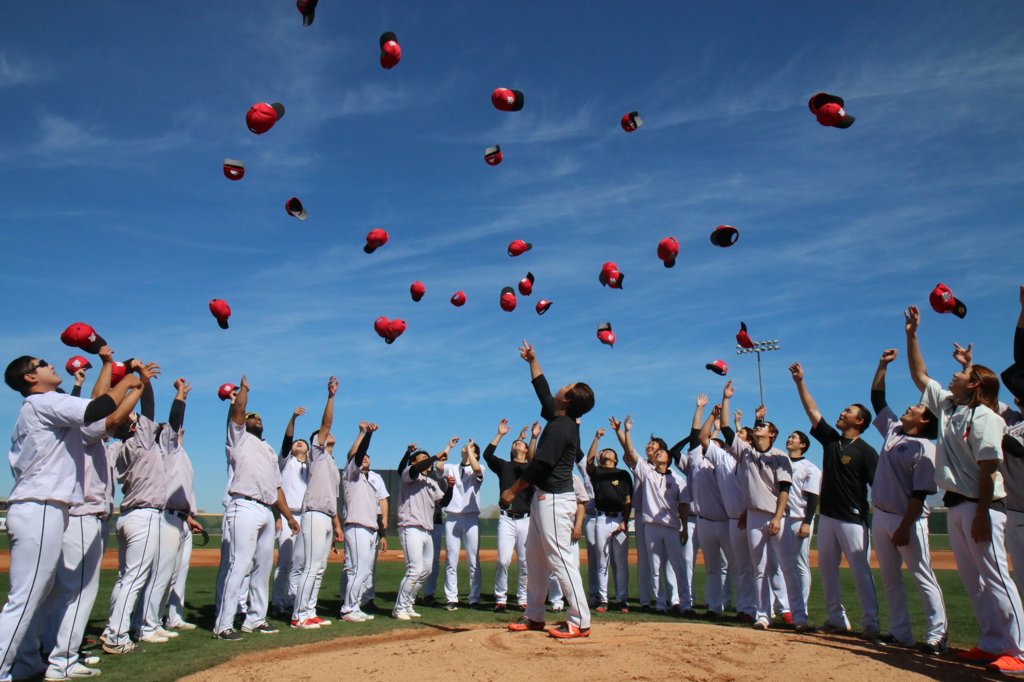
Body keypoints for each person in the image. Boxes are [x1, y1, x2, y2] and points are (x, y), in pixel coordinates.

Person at [905, 305, 1024, 674]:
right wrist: (912, 335)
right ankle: (991, 643)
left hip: (981, 505)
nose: (954, 374)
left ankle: (1019, 651)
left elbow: (990, 468)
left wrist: (985, 514)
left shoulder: (986, 417)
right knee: (975, 581)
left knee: (997, 578)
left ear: (974, 384)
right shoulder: (950, 409)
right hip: (957, 504)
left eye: (962, 372)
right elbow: (920, 375)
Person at [41, 349, 142, 678]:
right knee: (79, 589)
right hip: (84, 513)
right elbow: (108, 413)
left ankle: (51, 649)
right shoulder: (80, 428)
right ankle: (63, 660)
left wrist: (108, 365)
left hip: (79, 513)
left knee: (62, 587)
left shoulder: (77, 430)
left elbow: (100, 403)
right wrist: (131, 386)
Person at [502, 341, 595, 639]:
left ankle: (580, 620)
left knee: (560, 559)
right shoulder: (559, 419)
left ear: (566, 400)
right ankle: (535, 615)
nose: (560, 386)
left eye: (565, 386)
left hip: (555, 501)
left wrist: (514, 490)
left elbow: (540, 465)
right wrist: (533, 360)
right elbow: (544, 391)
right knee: (536, 559)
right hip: (544, 501)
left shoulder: (561, 428)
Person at [789, 361, 880, 640]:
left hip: (853, 518)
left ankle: (872, 624)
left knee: (860, 572)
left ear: (860, 421)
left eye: (848, 412)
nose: (842, 413)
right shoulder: (831, 441)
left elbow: (877, 486)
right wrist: (800, 382)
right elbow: (812, 410)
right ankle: (835, 619)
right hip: (827, 516)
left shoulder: (866, 451)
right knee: (827, 570)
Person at [868, 347, 947, 653]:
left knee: (922, 575)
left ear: (925, 419)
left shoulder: (925, 448)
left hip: (909, 519)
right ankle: (900, 633)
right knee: (890, 578)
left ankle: (937, 635)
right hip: (882, 516)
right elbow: (877, 399)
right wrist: (882, 365)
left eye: (915, 407)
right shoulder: (894, 429)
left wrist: (905, 525)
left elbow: (919, 494)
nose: (909, 407)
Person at [213, 376, 300, 641]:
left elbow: (277, 488)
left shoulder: (269, 449)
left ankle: (255, 619)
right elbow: (238, 413)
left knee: (262, 568)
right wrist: (244, 392)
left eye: (259, 417)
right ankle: (223, 624)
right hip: (244, 505)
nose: (255, 419)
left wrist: (288, 517)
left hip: (265, 509)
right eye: (251, 416)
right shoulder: (237, 438)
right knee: (238, 565)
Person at [717, 382, 798, 630]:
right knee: (759, 568)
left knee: (786, 566)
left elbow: (784, 489)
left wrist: (777, 517)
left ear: (772, 434)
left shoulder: (780, 457)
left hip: (775, 517)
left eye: (764, 427)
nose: (759, 428)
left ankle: (798, 614)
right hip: (753, 517)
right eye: (758, 426)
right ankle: (762, 615)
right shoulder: (746, 452)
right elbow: (726, 427)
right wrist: (726, 398)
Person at [102, 360, 170, 654]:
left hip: (127, 515)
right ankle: (117, 637)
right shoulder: (140, 439)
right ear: (132, 425)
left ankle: (111, 630)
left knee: (124, 578)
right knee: (135, 578)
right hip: (144, 516)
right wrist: (143, 381)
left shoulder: (119, 446)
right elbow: (151, 407)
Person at [134, 378, 205, 644]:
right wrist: (180, 396)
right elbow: (173, 421)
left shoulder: (180, 454)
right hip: (165, 515)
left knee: (176, 572)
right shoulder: (164, 448)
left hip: (181, 518)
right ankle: (145, 625)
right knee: (161, 572)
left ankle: (169, 618)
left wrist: (189, 517)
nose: (176, 433)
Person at [614, 415, 689, 616]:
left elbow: (683, 504)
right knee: (649, 564)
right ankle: (655, 602)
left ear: (663, 452)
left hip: (671, 524)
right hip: (646, 519)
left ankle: (680, 602)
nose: (650, 446)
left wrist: (684, 527)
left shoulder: (676, 478)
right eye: (649, 444)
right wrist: (624, 431)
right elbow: (629, 451)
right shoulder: (645, 469)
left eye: (655, 445)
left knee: (675, 565)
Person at [291, 377, 343, 628]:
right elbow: (326, 422)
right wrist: (331, 396)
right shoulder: (318, 454)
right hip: (312, 514)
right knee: (311, 566)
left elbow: (332, 499)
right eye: (323, 436)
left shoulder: (332, 465)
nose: (328, 434)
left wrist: (337, 525)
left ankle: (309, 612)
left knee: (320, 568)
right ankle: (297, 616)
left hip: (326, 516)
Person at [685, 394, 733, 620]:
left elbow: (709, 439)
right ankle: (715, 607)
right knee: (714, 568)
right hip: (703, 521)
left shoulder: (725, 460)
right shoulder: (695, 458)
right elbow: (696, 433)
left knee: (736, 566)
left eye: (715, 444)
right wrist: (701, 410)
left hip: (725, 521)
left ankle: (746, 607)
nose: (709, 445)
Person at [394, 444, 454, 620]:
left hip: (427, 529)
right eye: (422, 459)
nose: (426, 462)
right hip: (410, 526)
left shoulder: (432, 482)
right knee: (415, 569)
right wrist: (435, 456)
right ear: (413, 462)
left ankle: (408, 604)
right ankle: (399, 608)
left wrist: (450, 487)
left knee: (426, 570)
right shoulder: (409, 475)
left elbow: (443, 503)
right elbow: (416, 468)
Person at [484, 420, 535, 612]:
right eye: (514, 444)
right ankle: (501, 599)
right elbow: (487, 455)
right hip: (506, 518)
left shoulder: (531, 469)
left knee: (525, 562)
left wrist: (532, 438)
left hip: (526, 519)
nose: (516, 444)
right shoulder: (504, 466)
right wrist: (501, 434)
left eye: (519, 443)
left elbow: (536, 460)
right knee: (503, 560)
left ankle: (523, 598)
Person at [584, 428, 632, 613]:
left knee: (620, 562)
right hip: (601, 519)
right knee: (602, 560)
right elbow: (588, 462)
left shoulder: (623, 474)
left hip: (619, 519)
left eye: (609, 451)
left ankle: (622, 600)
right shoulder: (597, 472)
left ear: (616, 458)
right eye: (603, 451)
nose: (606, 452)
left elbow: (628, 501)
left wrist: (625, 521)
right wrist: (596, 438)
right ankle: (603, 600)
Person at [339, 421, 383, 622]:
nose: (364, 458)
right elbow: (357, 454)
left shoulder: (369, 480)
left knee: (364, 571)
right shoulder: (351, 474)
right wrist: (367, 435)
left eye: (367, 457)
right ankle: (348, 609)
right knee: (357, 569)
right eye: (361, 456)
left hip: (370, 528)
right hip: (356, 526)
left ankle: (354, 606)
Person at [779, 429, 820, 627]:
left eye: (793, 437)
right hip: (781, 519)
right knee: (783, 565)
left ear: (803, 445)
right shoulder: (780, 463)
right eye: (789, 436)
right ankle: (786, 607)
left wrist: (807, 521)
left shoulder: (810, 468)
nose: (789, 439)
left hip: (799, 518)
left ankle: (800, 608)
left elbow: (813, 497)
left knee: (800, 566)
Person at [271, 407, 309, 617]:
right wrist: (293, 417)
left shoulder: (311, 467)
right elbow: (287, 440)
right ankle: (278, 603)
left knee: (300, 563)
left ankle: (294, 600)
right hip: (289, 516)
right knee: (285, 562)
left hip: (306, 517)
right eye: (297, 442)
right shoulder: (286, 462)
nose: (298, 443)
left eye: (303, 443)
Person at [442, 437, 483, 610]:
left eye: (470, 448)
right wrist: (449, 447)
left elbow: (476, 468)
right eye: (465, 447)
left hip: (471, 516)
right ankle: (452, 598)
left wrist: (471, 452)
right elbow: (438, 465)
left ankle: (474, 598)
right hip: (452, 516)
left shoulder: (480, 468)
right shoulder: (451, 467)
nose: (465, 449)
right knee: (451, 559)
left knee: (473, 560)